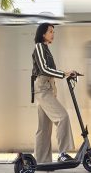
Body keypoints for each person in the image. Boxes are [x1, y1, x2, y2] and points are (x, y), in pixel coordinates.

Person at [31, 22, 76, 164]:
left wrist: (67, 74)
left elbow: (49, 71)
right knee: (62, 117)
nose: (53, 34)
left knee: (44, 128)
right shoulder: (39, 47)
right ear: (43, 34)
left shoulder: (46, 48)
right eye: (50, 31)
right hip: (43, 90)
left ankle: (41, 160)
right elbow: (44, 69)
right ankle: (63, 153)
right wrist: (64, 74)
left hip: (48, 89)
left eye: (53, 32)